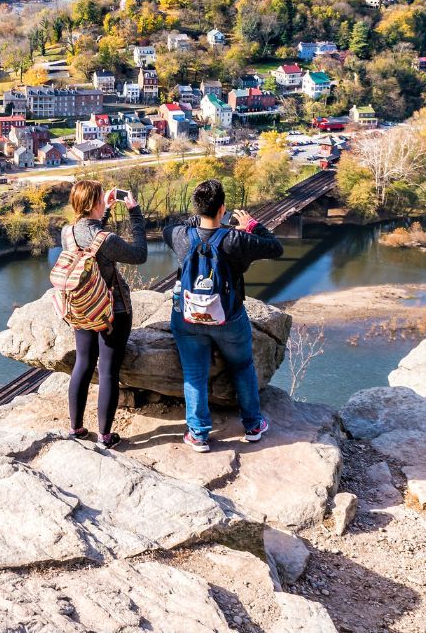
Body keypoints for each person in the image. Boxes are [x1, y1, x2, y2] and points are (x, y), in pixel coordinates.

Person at [166, 178, 284, 451]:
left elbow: (170, 227)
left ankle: (198, 435)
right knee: (242, 366)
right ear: (223, 209)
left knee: (194, 374)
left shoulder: (181, 236)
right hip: (228, 318)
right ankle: (253, 425)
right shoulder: (236, 239)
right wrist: (252, 227)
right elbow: (275, 247)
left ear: (196, 208)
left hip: (188, 318)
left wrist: (197, 221)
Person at [62, 178, 146, 449]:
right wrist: (134, 212)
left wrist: (105, 211)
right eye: (101, 199)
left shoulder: (67, 232)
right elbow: (139, 254)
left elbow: (92, 241)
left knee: (83, 363)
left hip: (82, 307)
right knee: (108, 370)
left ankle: (76, 428)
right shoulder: (106, 238)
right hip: (112, 311)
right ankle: (105, 436)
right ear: (94, 202)